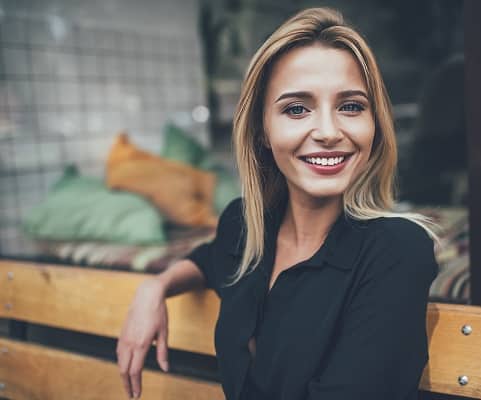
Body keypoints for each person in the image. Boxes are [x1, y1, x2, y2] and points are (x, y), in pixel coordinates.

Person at [117, 7, 439, 400]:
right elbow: (208, 259)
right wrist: (155, 287)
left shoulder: (396, 250)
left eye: (351, 106)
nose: (327, 131)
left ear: (375, 124)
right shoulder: (244, 226)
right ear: (262, 132)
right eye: (296, 109)